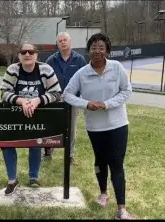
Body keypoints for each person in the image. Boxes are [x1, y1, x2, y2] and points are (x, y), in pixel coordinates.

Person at [63, 33, 134, 220]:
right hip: (95, 127)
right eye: (94, 48)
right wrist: (86, 104)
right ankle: (103, 194)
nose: (97, 51)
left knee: (117, 163)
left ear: (107, 50)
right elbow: (67, 94)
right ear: (89, 51)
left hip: (118, 124)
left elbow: (127, 90)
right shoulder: (82, 73)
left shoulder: (117, 68)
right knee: (100, 161)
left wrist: (106, 104)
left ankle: (122, 208)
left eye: (101, 48)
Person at [0, 43, 62, 196]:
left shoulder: (46, 69)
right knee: (8, 145)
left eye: (31, 52)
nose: (27, 54)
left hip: (38, 113)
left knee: (36, 144)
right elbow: (4, 93)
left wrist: (37, 101)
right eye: (23, 52)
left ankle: (33, 177)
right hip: (14, 113)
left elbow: (56, 93)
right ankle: (12, 180)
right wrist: (22, 101)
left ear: (36, 55)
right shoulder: (13, 69)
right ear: (19, 55)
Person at [44, 32, 87, 164]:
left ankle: (70, 155)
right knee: (50, 127)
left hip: (72, 100)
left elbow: (84, 80)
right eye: (60, 40)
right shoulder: (51, 60)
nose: (63, 42)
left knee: (71, 128)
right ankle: (47, 154)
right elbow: (45, 80)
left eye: (65, 40)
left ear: (70, 42)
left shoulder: (79, 60)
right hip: (54, 100)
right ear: (57, 44)